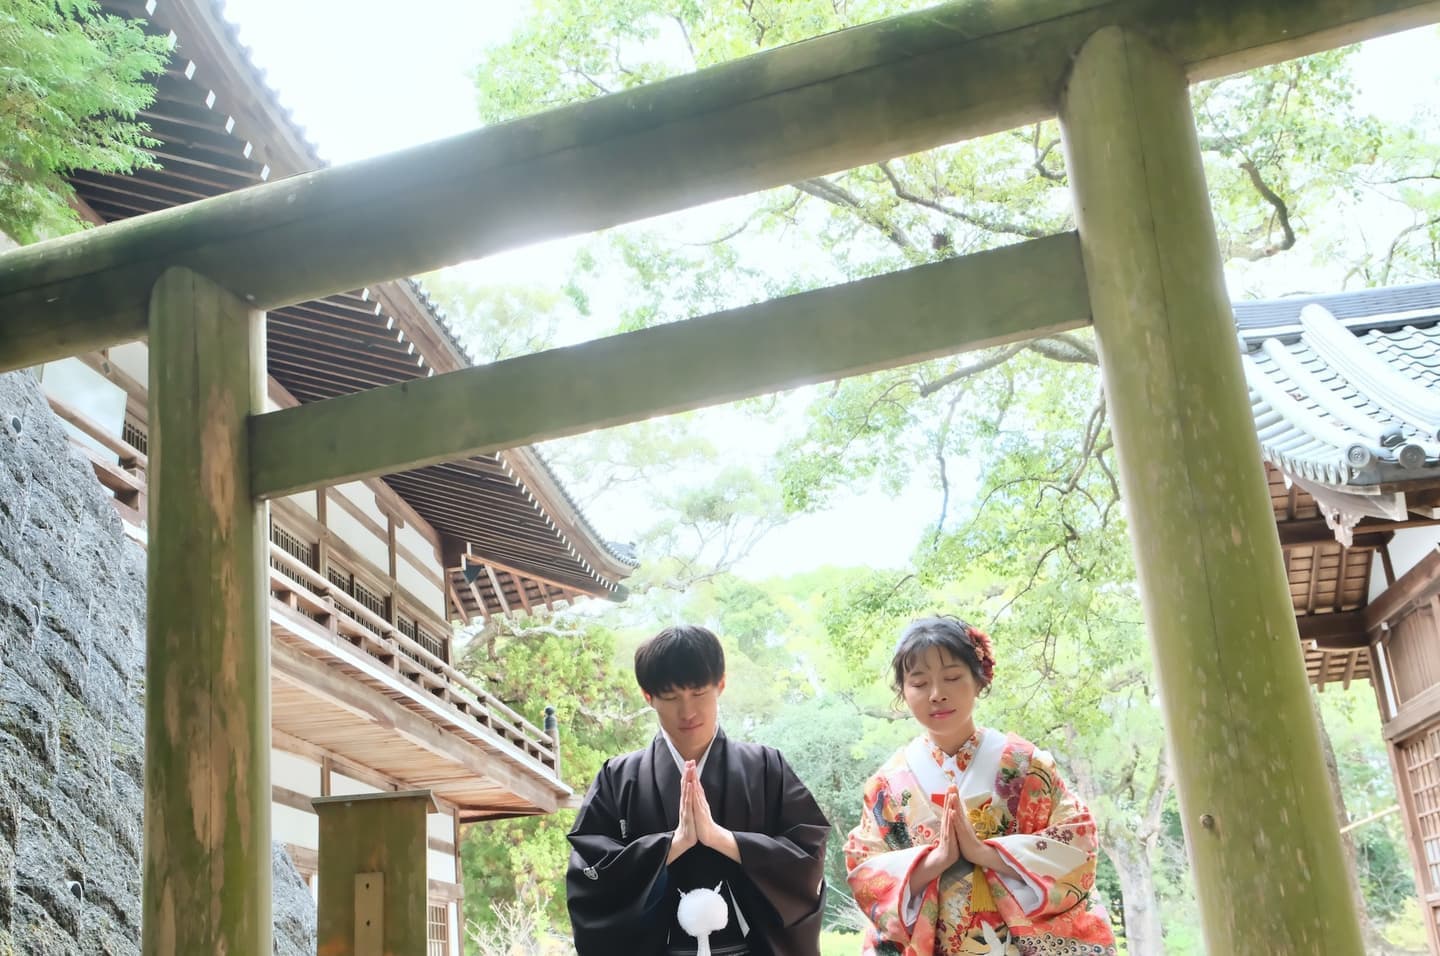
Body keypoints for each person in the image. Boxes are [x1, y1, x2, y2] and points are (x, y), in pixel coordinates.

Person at [845, 615, 1117, 955]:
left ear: (979, 679)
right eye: (919, 683)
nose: (937, 694)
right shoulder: (887, 785)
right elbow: (866, 874)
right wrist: (936, 861)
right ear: (903, 691)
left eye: (952, 678)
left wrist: (985, 854)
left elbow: (1079, 847)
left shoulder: (1027, 766)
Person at [566, 624, 831, 956]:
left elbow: (807, 855)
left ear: (721, 684)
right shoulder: (617, 778)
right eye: (671, 697)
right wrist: (671, 845)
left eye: (699, 693)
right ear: (648, 697)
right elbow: (590, 875)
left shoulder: (766, 767)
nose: (687, 711)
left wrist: (725, 840)